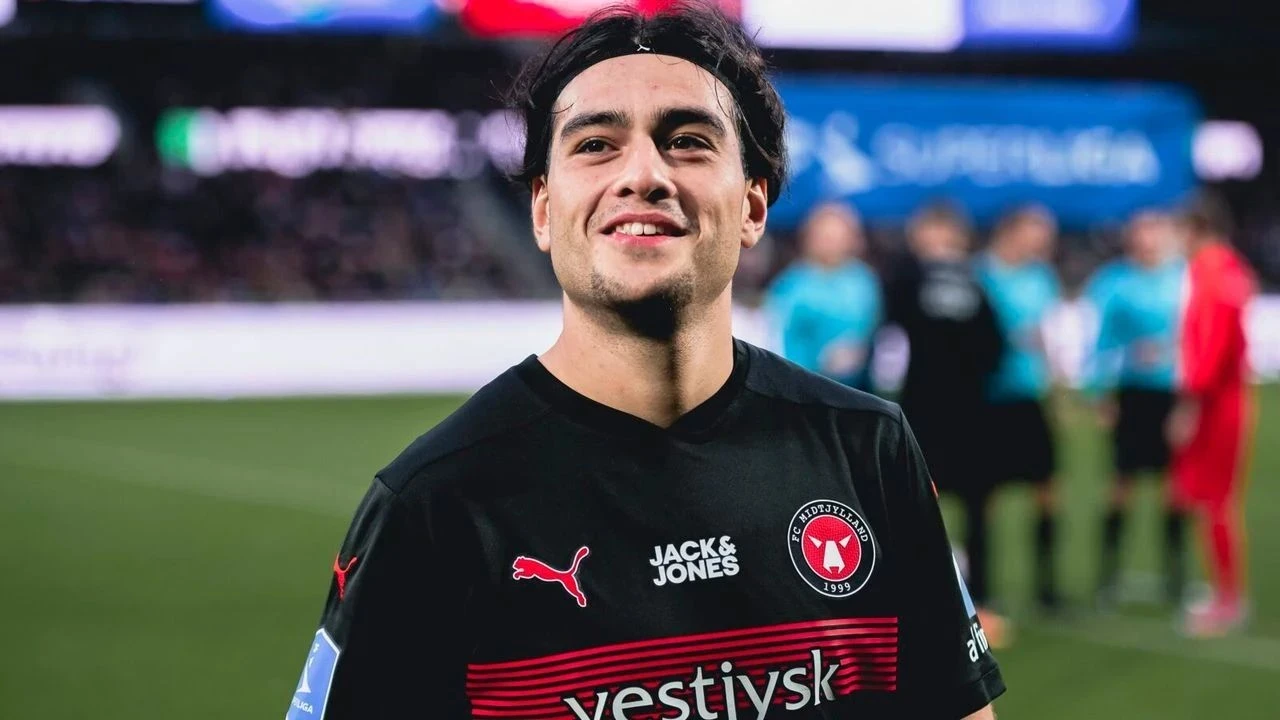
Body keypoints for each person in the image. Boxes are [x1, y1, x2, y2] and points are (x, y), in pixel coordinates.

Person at [284, 5, 1003, 719]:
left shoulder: (869, 449)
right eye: (596, 145)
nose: (643, 174)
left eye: (688, 141)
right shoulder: (431, 505)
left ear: (753, 205)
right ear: (543, 210)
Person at [883, 202, 1008, 642]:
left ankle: (981, 600)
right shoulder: (908, 279)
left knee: (974, 507)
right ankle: (927, 596)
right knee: (918, 505)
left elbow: (995, 343)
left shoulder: (972, 280)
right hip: (927, 411)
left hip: (962, 412)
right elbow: (890, 336)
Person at [1083, 210, 1188, 609]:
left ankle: (1176, 577)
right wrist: (1100, 392)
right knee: (1120, 484)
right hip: (1131, 394)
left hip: (1171, 393)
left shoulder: (1182, 278)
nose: (1147, 240)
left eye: (1154, 231)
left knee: (1174, 487)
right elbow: (1103, 341)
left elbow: (1194, 334)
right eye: (1141, 233)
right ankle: (1108, 575)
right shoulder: (1115, 282)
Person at [1168, 192, 1258, 637]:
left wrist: (1189, 406)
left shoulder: (1209, 272)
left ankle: (1228, 599)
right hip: (1229, 397)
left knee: (1214, 500)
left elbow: (1210, 347)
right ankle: (1226, 591)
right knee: (1214, 499)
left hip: (1216, 403)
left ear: (1193, 229)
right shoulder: (1231, 267)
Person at [976, 204, 1065, 613]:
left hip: (1030, 395)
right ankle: (983, 587)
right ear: (1012, 231)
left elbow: (1045, 335)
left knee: (1047, 490)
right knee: (986, 493)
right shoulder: (981, 275)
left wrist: (1055, 386)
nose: (1044, 241)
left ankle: (1046, 586)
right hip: (991, 397)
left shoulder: (1042, 277)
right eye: (1037, 232)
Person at [765, 201, 882, 391]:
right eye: (825, 237)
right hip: (806, 386)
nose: (830, 244)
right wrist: (818, 363)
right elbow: (779, 339)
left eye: (837, 237)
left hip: (860, 387)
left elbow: (873, 328)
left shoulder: (863, 280)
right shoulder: (791, 285)